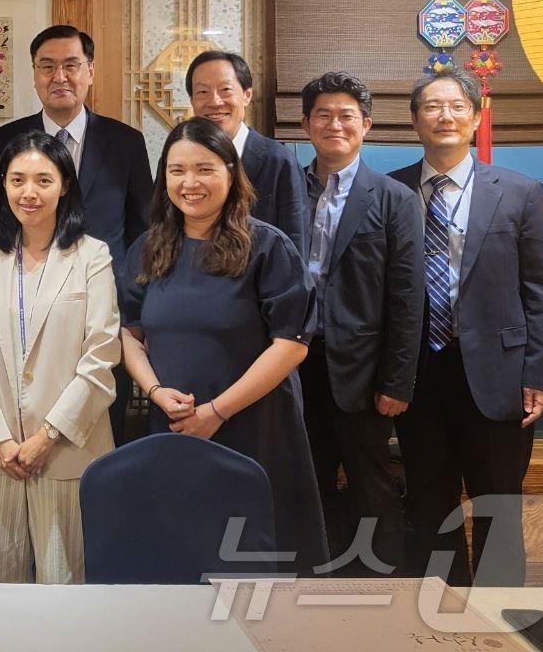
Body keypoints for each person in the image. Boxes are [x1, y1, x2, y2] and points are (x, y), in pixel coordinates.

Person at [120, 117, 327, 573]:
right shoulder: (149, 248)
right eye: (177, 170)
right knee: (181, 557)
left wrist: (215, 413)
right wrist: (155, 392)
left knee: (253, 566)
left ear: (231, 174)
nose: (189, 182)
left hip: (254, 427)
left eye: (204, 169)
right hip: (173, 428)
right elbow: (129, 333)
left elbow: (291, 344)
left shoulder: (267, 247)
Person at [389, 69, 543, 586]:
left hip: (499, 374)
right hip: (416, 374)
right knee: (428, 499)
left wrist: (539, 374)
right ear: (414, 119)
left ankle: (499, 619)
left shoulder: (519, 192)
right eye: (432, 107)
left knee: (498, 503)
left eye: (456, 106)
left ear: (476, 116)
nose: (445, 116)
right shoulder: (390, 192)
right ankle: (441, 619)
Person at [0, 25, 151, 444]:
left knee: (100, 437)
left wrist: (134, 316)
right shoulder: (4, 140)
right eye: (47, 66)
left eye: (71, 65)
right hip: (22, 317)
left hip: (104, 319)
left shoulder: (126, 141)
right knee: (28, 429)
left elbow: (144, 232)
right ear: (34, 75)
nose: (60, 76)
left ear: (89, 71)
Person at [0, 130, 120, 584]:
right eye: (17, 180)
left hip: (69, 445)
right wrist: (1, 441)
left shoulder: (91, 256)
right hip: (2, 450)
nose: (28, 192)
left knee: (64, 575)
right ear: (3, 186)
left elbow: (101, 355)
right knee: (2, 573)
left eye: (42, 180)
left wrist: (47, 436)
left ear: (64, 184)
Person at [298, 72, 424, 575]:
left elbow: (408, 297)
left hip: (366, 374)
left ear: (365, 124)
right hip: (296, 366)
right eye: (323, 115)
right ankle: (311, 587)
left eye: (346, 115)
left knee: (375, 485)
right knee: (308, 482)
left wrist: (398, 381)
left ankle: (384, 592)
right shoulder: (286, 190)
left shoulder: (393, 197)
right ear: (306, 124)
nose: (335, 124)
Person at [187, 50, 308, 255]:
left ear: (247, 95)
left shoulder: (279, 161)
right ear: (192, 101)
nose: (215, 101)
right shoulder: (179, 161)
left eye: (225, 89)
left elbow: (294, 246)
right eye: (202, 92)